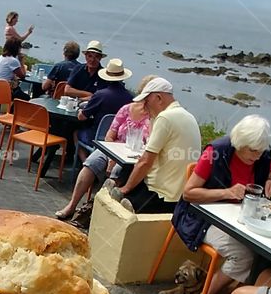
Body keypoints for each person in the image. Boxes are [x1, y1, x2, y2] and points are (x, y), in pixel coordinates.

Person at [172, 116, 271, 294]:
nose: (256, 157)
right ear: (240, 143)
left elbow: (270, 177)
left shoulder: (263, 155)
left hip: (240, 219)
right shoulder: (216, 152)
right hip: (202, 219)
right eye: (252, 151)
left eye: (260, 151)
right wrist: (226, 193)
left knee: (265, 257)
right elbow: (189, 193)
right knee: (243, 255)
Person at [57, 77, 200, 221]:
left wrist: (125, 189)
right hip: (179, 194)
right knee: (120, 175)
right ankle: (88, 212)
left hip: (160, 193)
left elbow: (145, 162)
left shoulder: (165, 118)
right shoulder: (187, 116)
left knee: (118, 190)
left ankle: (90, 216)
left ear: (158, 98)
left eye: (147, 101)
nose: (144, 105)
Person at [56, 74, 152, 220]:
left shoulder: (157, 117)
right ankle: (72, 205)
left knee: (118, 172)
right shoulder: (127, 109)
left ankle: (93, 211)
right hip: (114, 148)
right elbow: (110, 134)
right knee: (91, 163)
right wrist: (111, 157)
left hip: (134, 157)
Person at [75, 58, 134, 147]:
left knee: (76, 133)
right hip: (118, 138)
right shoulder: (130, 97)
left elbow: (82, 117)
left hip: (97, 136)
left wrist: (80, 110)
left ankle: (85, 160)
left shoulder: (100, 95)